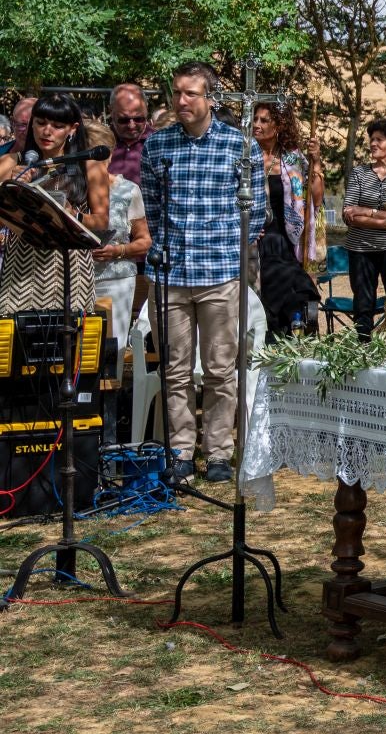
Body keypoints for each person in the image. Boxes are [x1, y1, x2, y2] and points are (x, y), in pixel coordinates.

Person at [140, 63, 267, 484]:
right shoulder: (157, 147)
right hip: (172, 276)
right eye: (176, 93)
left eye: (191, 93)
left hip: (219, 274)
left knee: (219, 369)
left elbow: (257, 213)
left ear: (211, 98)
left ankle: (217, 453)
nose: (181, 101)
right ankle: (178, 453)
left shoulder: (241, 147)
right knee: (174, 370)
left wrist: (229, 249)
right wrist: (164, 250)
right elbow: (152, 210)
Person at [0, 93, 111, 314]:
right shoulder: (11, 162)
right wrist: (10, 185)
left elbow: (101, 222)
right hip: (20, 270)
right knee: (16, 342)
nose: (47, 131)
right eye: (40, 123)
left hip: (70, 269)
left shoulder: (89, 165)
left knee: (68, 342)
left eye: (58, 125)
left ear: (73, 128)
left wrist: (71, 213)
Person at [83, 119, 150, 354]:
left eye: (101, 154)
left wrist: (117, 251)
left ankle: (110, 391)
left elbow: (144, 240)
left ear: (111, 153)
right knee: (79, 350)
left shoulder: (127, 190)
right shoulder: (73, 188)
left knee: (113, 348)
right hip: (77, 279)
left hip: (116, 280)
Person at [253, 101, 318, 340]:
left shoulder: (292, 159)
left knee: (293, 282)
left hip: (285, 236)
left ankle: (292, 334)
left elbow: (315, 197)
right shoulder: (245, 157)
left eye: (264, 120)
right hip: (255, 236)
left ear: (279, 125)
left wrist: (316, 161)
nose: (257, 125)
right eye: (255, 119)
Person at [340, 118, 386, 339]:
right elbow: (348, 214)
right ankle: (363, 347)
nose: (373, 143)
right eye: (371, 139)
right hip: (360, 248)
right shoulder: (360, 173)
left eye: (379, 139)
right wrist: (382, 217)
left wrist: (364, 210)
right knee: (363, 303)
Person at [106, 82, 150, 182]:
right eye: (123, 120)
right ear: (110, 111)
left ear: (146, 109)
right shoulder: (100, 141)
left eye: (138, 119)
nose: (131, 125)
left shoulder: (159, 142)